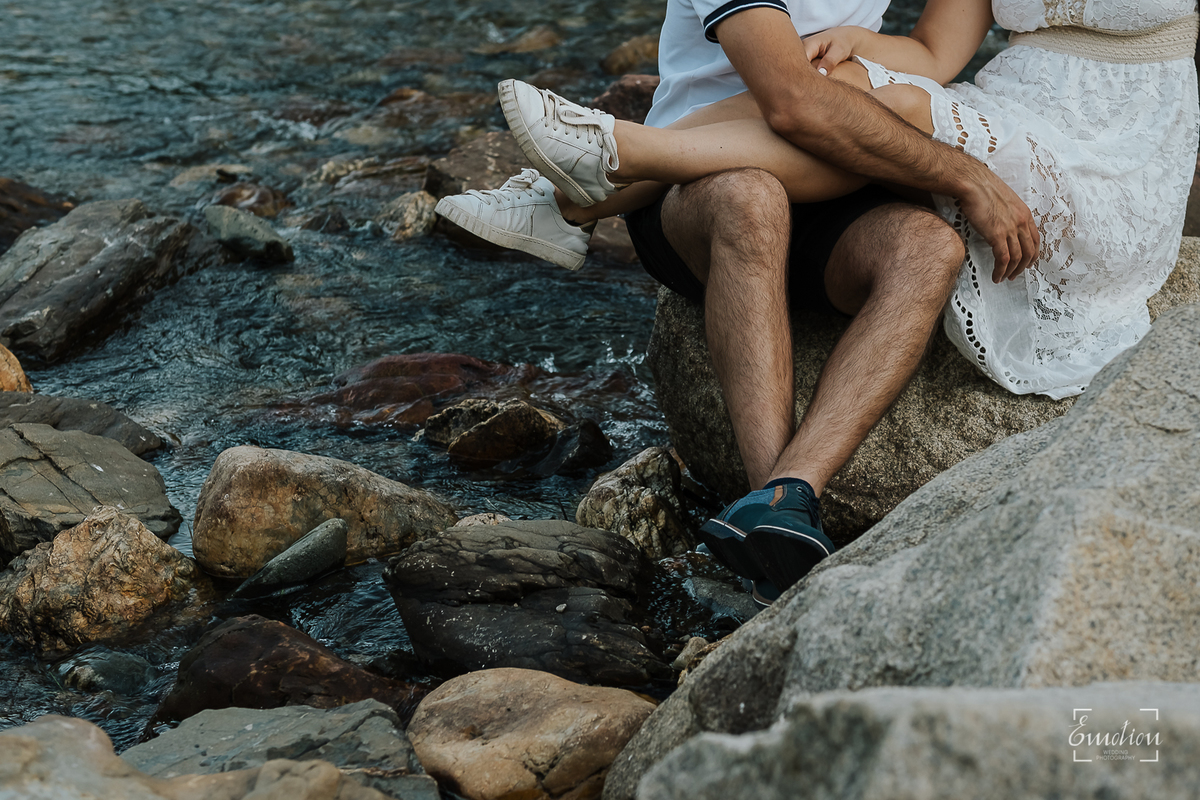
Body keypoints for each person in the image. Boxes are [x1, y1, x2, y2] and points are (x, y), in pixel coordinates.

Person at [437, 0, 1194, 603]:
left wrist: (865, 49)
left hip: (841, 173)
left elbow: (924, 56)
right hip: (702, 189)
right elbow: (794, 101)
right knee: (756, 193)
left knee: (927, 244)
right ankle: (771, 519)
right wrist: (961, 173)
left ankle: (784, 501)